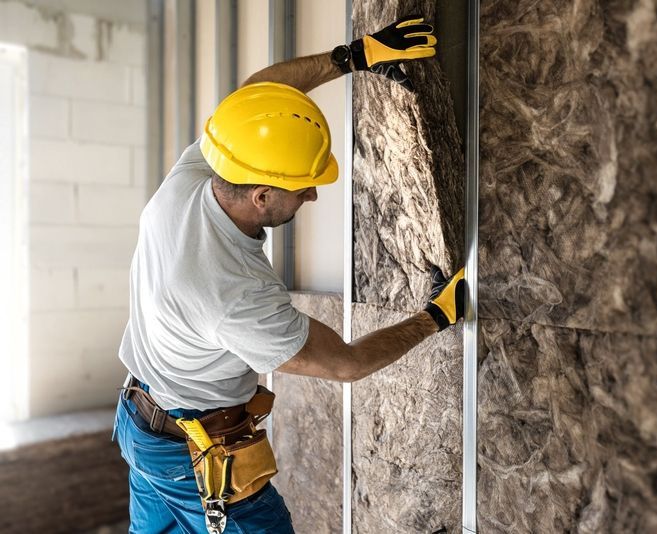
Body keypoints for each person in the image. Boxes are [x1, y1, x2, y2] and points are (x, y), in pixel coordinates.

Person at [112, 14, 465, 534]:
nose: (314, 194)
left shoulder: (198, 174)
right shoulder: (233, 293)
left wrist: (358, 55)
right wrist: (434, 318)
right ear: (261, 197)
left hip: (141, 422)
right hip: (194, 456)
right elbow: (344, 363)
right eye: (302, 186)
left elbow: (260, 95)